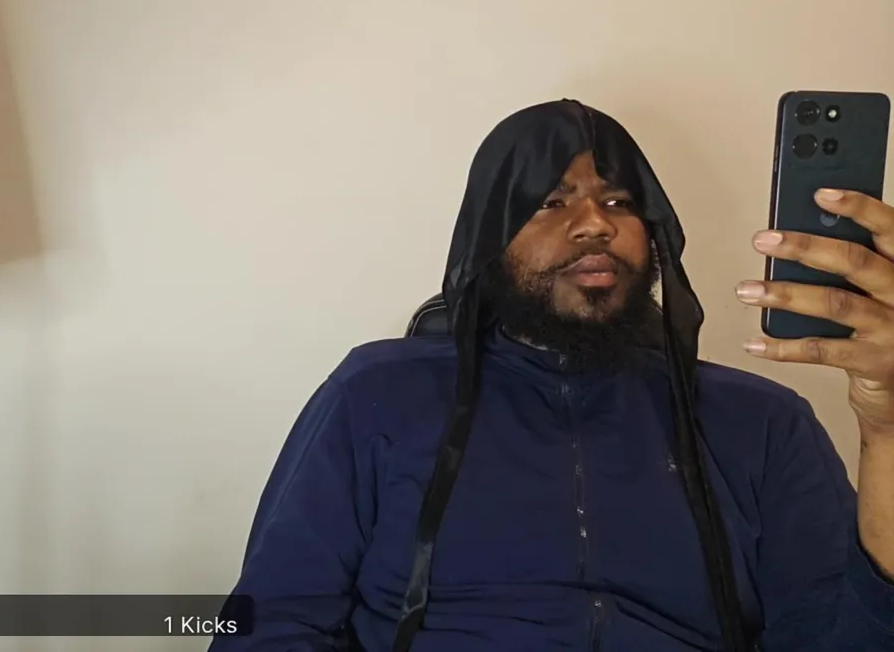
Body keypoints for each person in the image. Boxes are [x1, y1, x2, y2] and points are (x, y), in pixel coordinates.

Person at [209, 100, 894, 651]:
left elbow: (848, 637)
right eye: (551, 201)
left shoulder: (761, 422)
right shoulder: (377, 395)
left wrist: (887, 429)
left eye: (620, 202)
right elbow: (268, 620)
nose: (595, 225)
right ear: (490, 236)